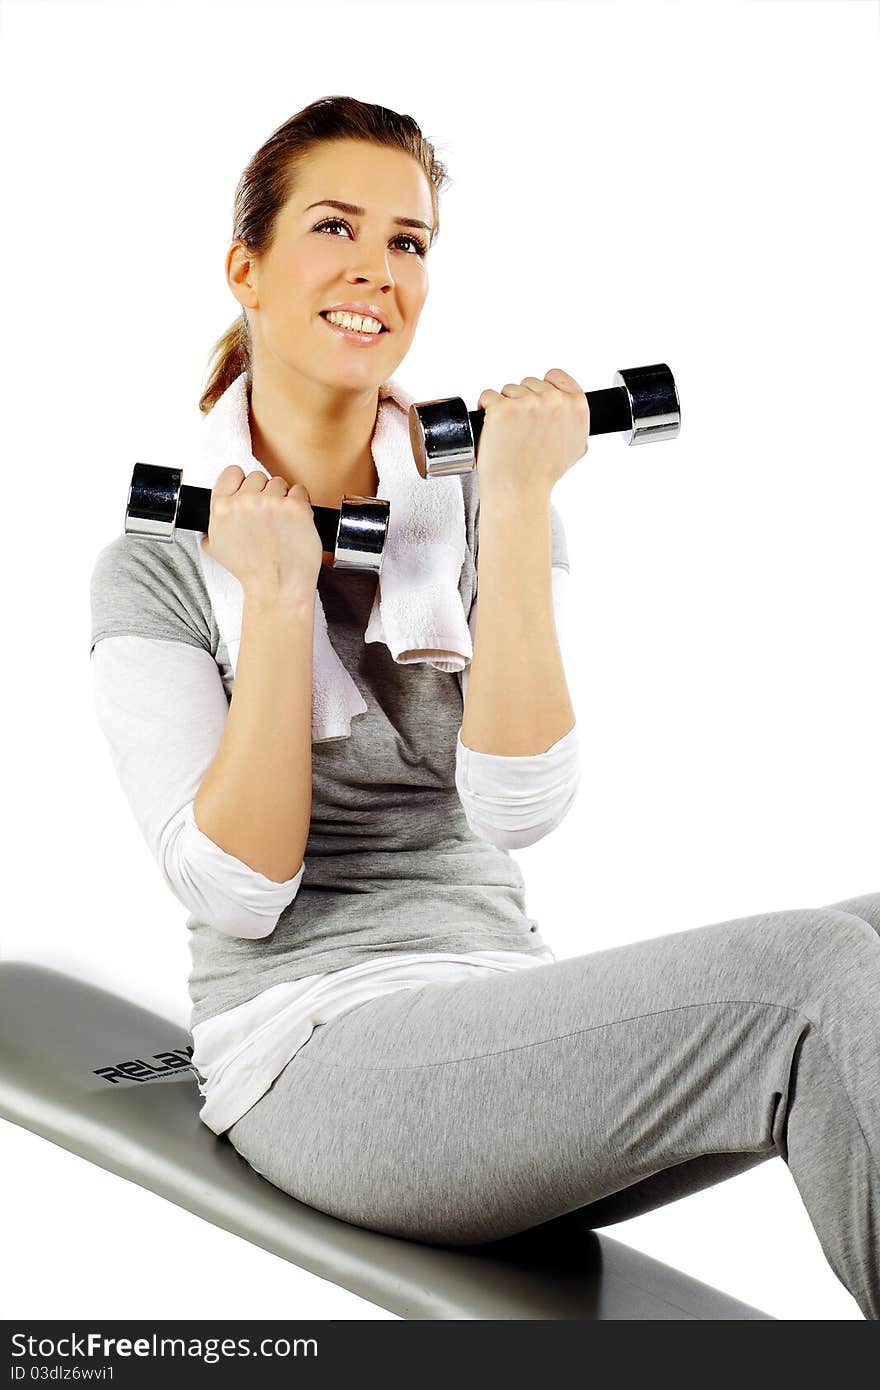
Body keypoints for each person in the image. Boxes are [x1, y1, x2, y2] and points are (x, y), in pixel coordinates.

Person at [89, 96, 880, 1320]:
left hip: (493, 1004)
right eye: (334, 227)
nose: (374, 269)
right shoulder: (150, 567)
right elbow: (238, 889)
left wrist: (510, 506)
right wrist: (277, 594)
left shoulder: (479, 506)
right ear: (246, 267)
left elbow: (516, 806)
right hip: (315, 1052)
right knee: (813, 972)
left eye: (408, 241)